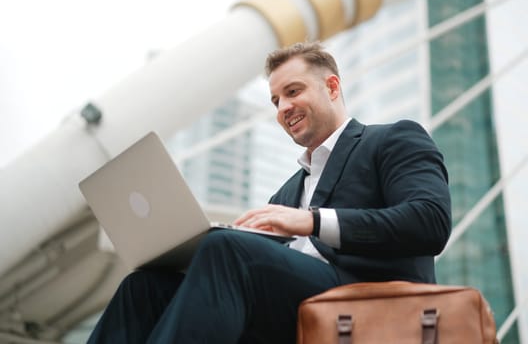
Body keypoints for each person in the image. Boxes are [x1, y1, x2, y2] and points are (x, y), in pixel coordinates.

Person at [87, 41, 451, 344]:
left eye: (293, 91)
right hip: (290, 313)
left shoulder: (392, 139)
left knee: (227, 250)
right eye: (276, 100)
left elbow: (430, 221)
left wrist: (311, 221)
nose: (284, 108)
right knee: (144, 287)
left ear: (333, 87)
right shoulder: (287, 193)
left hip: (372, 304)